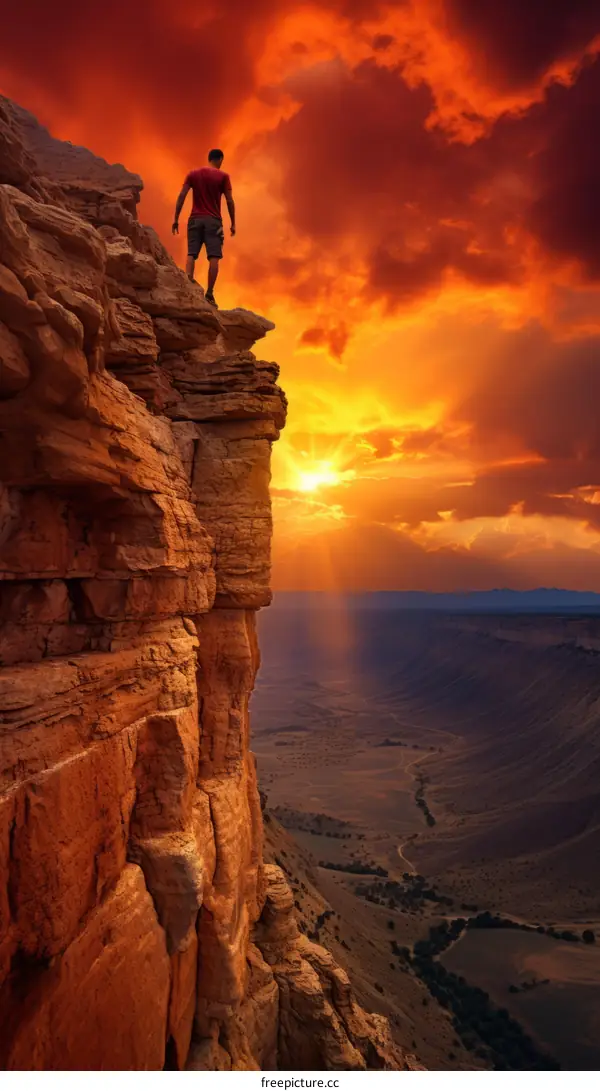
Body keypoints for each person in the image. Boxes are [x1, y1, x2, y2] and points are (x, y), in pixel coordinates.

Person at [172, 149, 236, 308]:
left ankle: (188, 283)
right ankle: (209, 293)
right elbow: (229, 201)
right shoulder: (223, 176)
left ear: (209, 159)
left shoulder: (193, 174)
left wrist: (176, 219)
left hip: (195, 219)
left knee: (191, 253)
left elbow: (182, 196)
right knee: (214, 257)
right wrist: (233, 222)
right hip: (214, 221)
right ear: (220, 159)